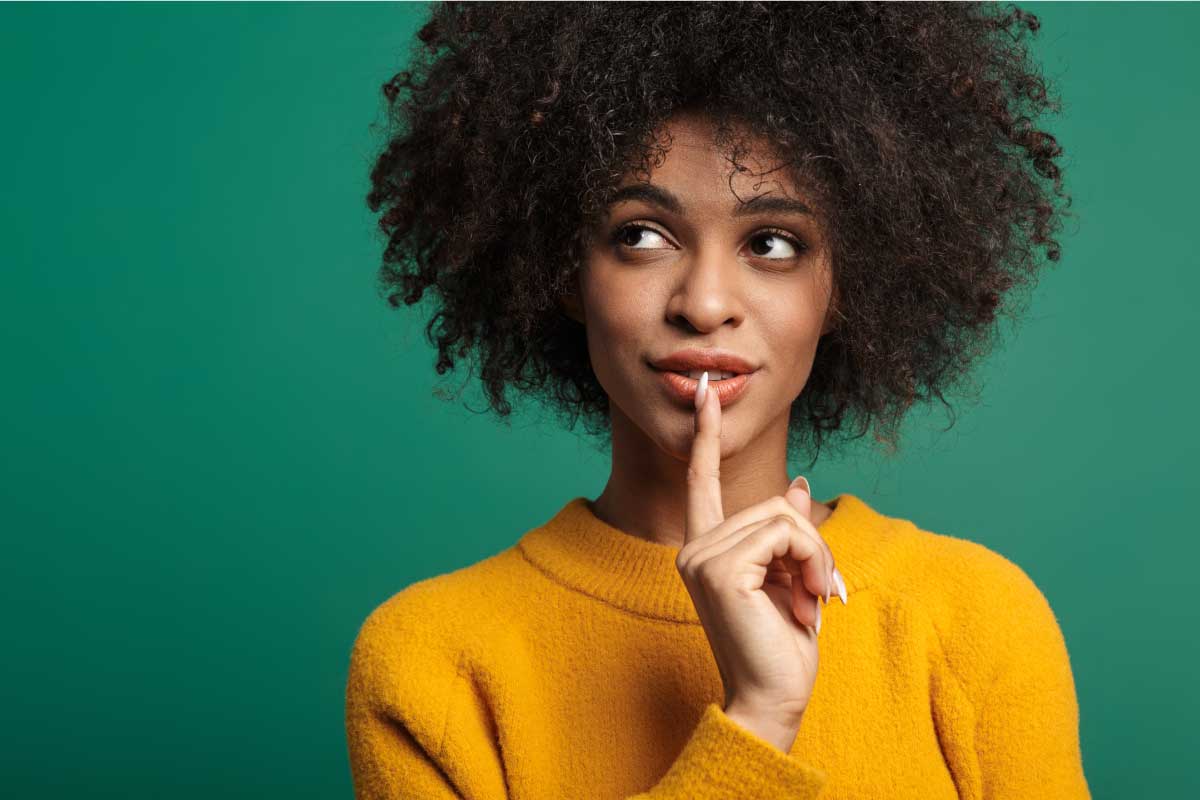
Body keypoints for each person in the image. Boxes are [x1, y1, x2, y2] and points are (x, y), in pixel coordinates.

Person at [345, 2, 1090, 797]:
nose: (704, 304)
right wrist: (759, 718)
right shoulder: (432, 662)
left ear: (845, 288)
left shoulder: (977, 620)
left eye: (772, 243)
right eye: (640, 235)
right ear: (565, 273)